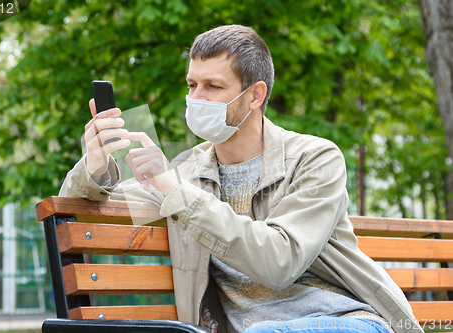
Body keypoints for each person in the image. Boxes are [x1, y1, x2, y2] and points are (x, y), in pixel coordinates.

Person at [59, 25, 423, 333]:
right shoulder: (186, 171)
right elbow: (85, 215)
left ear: (255, 95)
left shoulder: (316, 158)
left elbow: (279, 263)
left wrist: (173, 188)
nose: (195, 99)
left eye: (212, 87)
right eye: (191, 85)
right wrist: (95, 167)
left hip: (343, 320)